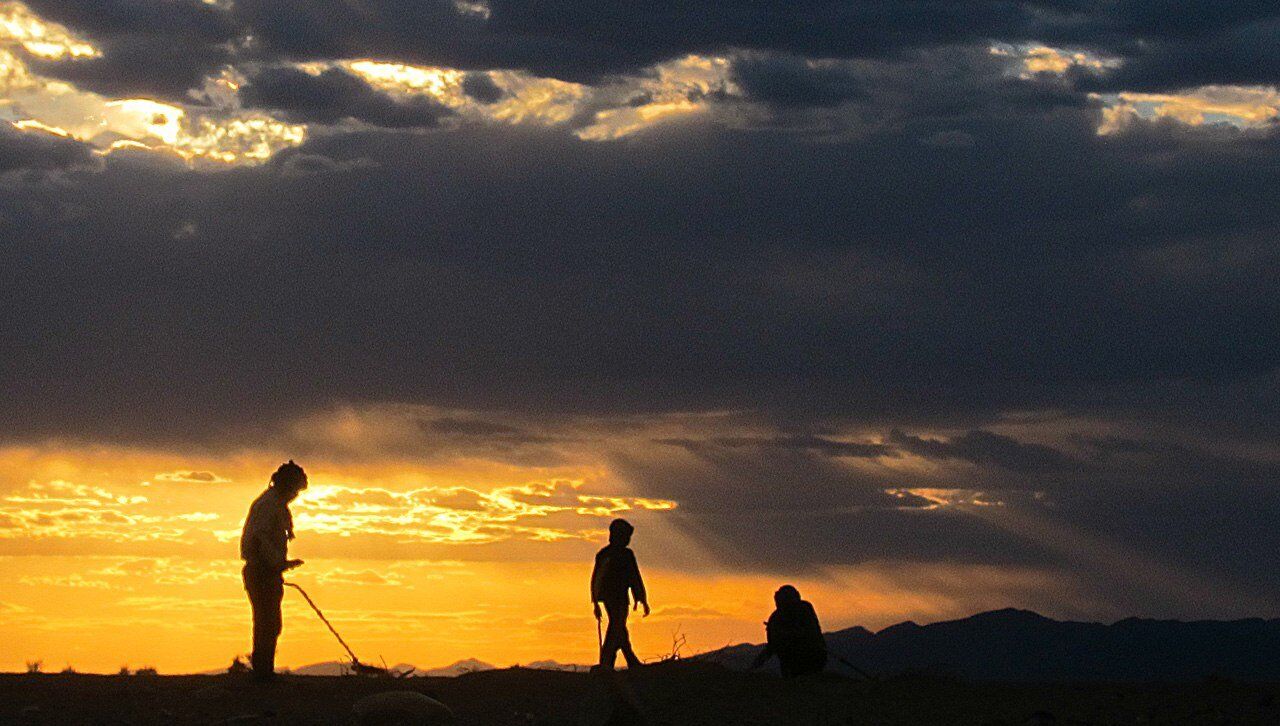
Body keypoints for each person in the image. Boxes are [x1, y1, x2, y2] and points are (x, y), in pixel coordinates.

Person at [240, 460, 307, 681]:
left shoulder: (273, 504)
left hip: (265, 570)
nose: (296, 495)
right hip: (262, 572)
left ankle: (263, 670)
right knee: (267, 622)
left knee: (268, 622)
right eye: (296, 489)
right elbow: (259, 538)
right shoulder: (269, 505)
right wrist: (276, 563)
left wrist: (281, 564)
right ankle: (262, 673)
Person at [591, 518, 649, 670]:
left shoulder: (613, 554)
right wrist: (595, 603)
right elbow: (597, 579)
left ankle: (618, 661)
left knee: (619, 628)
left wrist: (640, 598)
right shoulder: (612, 555)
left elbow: (634, 577)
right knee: (617, 627)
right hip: (614, 599)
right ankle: (609, 662)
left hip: (617, 598)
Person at [749, 585, 827, 678]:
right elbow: (771, 647)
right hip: (791, 661)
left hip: (812, 656)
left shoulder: (804, 609)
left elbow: (812, 633)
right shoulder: (775, 619)